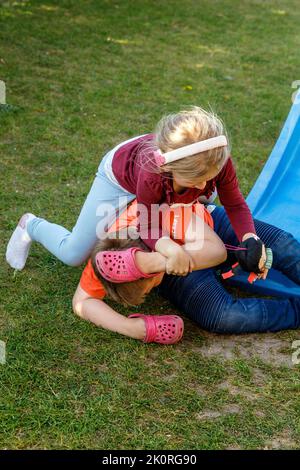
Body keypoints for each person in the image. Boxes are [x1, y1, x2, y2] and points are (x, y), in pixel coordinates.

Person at [6, 106, 265, 279]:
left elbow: (235, 203)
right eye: (197, 181)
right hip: (121, 176)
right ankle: (32, 225)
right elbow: (148, 225)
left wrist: (250, 238)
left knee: (205, 201)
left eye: (208, 179)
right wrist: (170, 251)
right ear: (170, 169)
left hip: (171, 175)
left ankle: (185, 209)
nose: (203, 188)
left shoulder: (213, 159)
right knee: (73, 254)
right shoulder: (152, 171)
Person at [73, 200, 227, 344]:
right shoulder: (108, 262)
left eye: (146, 291)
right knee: (220, 316)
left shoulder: (167, 214)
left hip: (206, 226)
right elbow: (81, 302)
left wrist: (155, 262)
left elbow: (217, 251)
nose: (148, 292)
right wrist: (131, 327)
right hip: (184, 256)